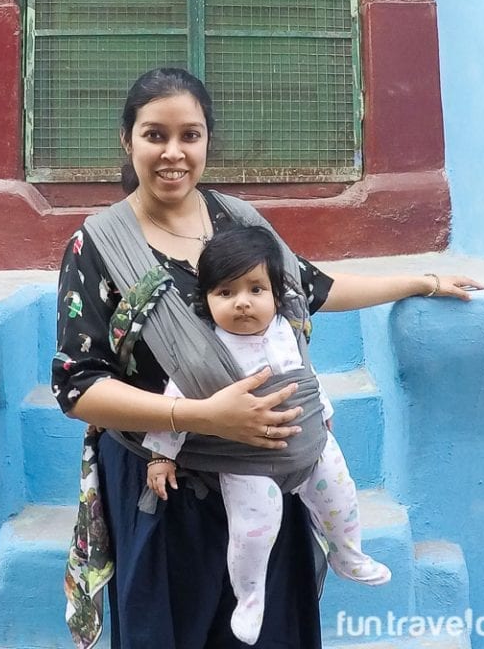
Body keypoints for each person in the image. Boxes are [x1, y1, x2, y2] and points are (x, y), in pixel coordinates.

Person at [52, 66, 482, 649]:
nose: (173, 152)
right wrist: (200, 418)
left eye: (190, 135)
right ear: (127, 140)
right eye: (155, 135)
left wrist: (422, 281)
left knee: (271, 632)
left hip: (269, 476)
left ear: (208, 141)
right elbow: (77, 387)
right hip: (165, 485)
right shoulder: (98, 245)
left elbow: (311, 287)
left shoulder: (238, 221)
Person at [143, 224, 391, 645]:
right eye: (225, 293)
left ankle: (348, 554)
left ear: (277, 293)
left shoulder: (285, 329)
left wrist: (323, 411)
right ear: (206, 300)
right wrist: (161, 456)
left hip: (309, 445)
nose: (242, 303)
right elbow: (177, 400)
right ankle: (250, 597)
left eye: (255, 290)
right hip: (248, 462)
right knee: (254, 529)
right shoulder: (204, 350)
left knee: (340, 494)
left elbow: (305, 374)